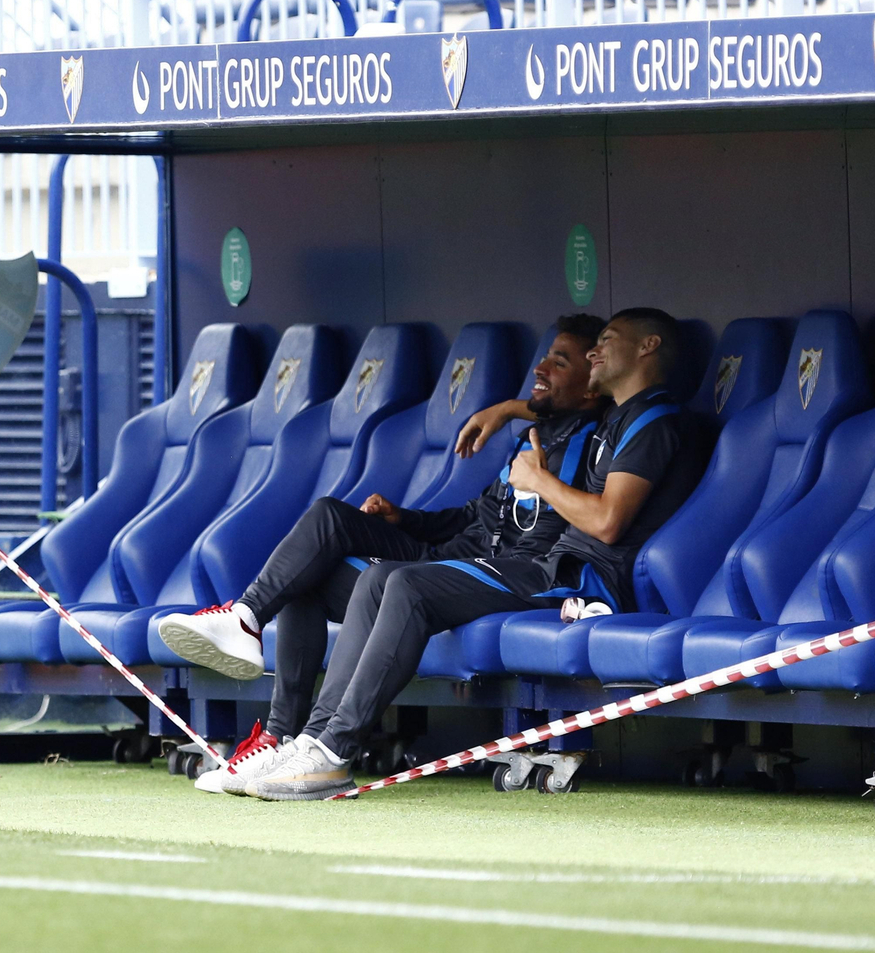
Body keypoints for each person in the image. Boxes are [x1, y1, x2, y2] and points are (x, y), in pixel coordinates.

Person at [241, 308, 694, 801]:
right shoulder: (618, 416)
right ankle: (311, 740)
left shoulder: (655, 419)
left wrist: (539, 479)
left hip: (581, 583)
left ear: (647, 347)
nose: (593, 353)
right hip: (554, 569)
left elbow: (608, 522)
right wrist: (506, 410)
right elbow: (563, 406)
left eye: (606, 340)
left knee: (407, 584)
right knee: (373, 580)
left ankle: (334, 751)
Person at [156, 315, 607, 794]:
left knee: (390, 581)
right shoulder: (535, 432)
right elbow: (476, 516)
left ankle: (326, 749)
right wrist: (404, 518)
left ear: (593, 383)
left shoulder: (596, 438)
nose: (542, 367)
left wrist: (517, 422)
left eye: (560, 362)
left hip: (510, 577)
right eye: (547, 356)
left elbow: (592, 515)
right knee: (322, 533)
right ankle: (275, 714)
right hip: (449, 556)